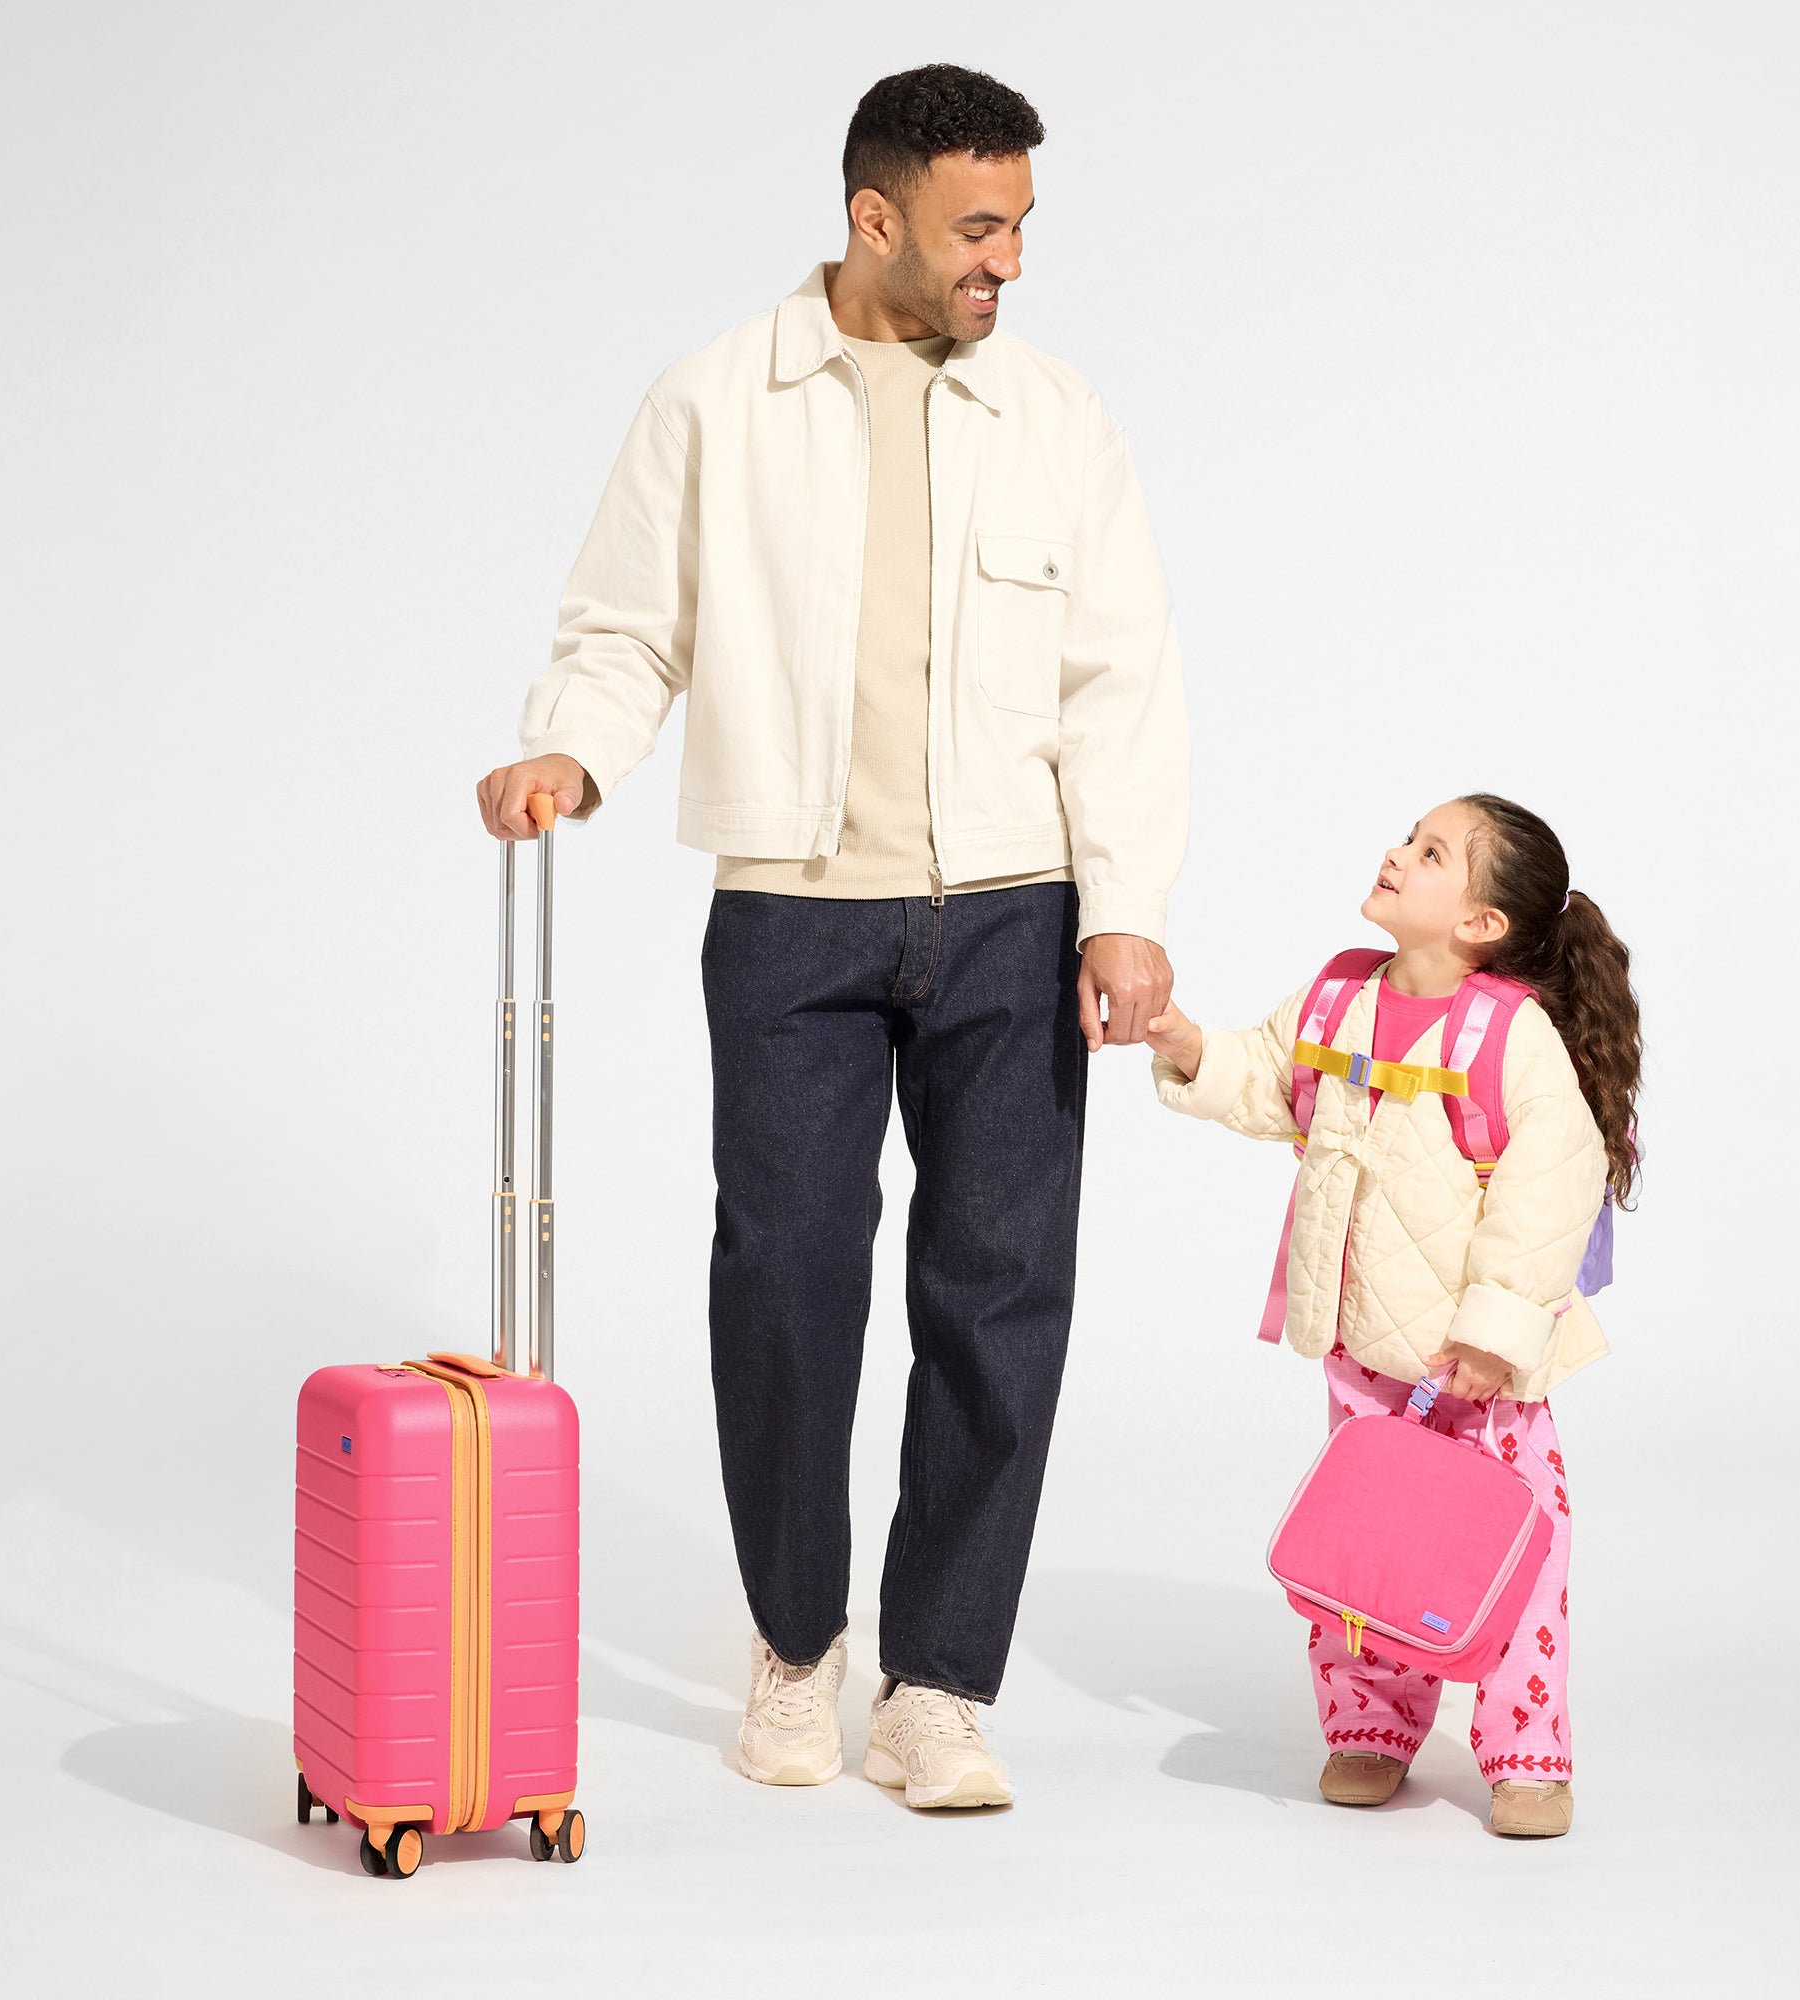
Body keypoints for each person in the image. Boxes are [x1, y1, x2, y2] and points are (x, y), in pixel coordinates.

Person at [475, 65, 1189, 1810]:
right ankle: (798, 1645)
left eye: (1020, 223)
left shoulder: (1057, 417)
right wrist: (575, 743)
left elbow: (1121, 684)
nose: (1006, 260)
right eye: (977, 226)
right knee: (786, 1286)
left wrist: (1128, 914)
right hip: (792, 910)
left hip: (1016, 910)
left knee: (998, 1297)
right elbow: (628, 623)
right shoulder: (717, 401)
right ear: (874, 219)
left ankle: (940, 1685)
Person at [1144, 795, 1638, 1838]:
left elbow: (1556, 1177)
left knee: (1515, 1555)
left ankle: (1526, 1752)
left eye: (1430, 852)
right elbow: (1272, 1082)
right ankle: (1369, 1727)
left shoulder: (1511, 1034)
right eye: (1408, 838)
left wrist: (1494, 1332)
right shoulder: (1336, 1001)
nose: (1396, 853)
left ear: (1482, 923)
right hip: (1367, 1348)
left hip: (1486, 1368)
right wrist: (1192, 1045)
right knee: (1365, 1551)